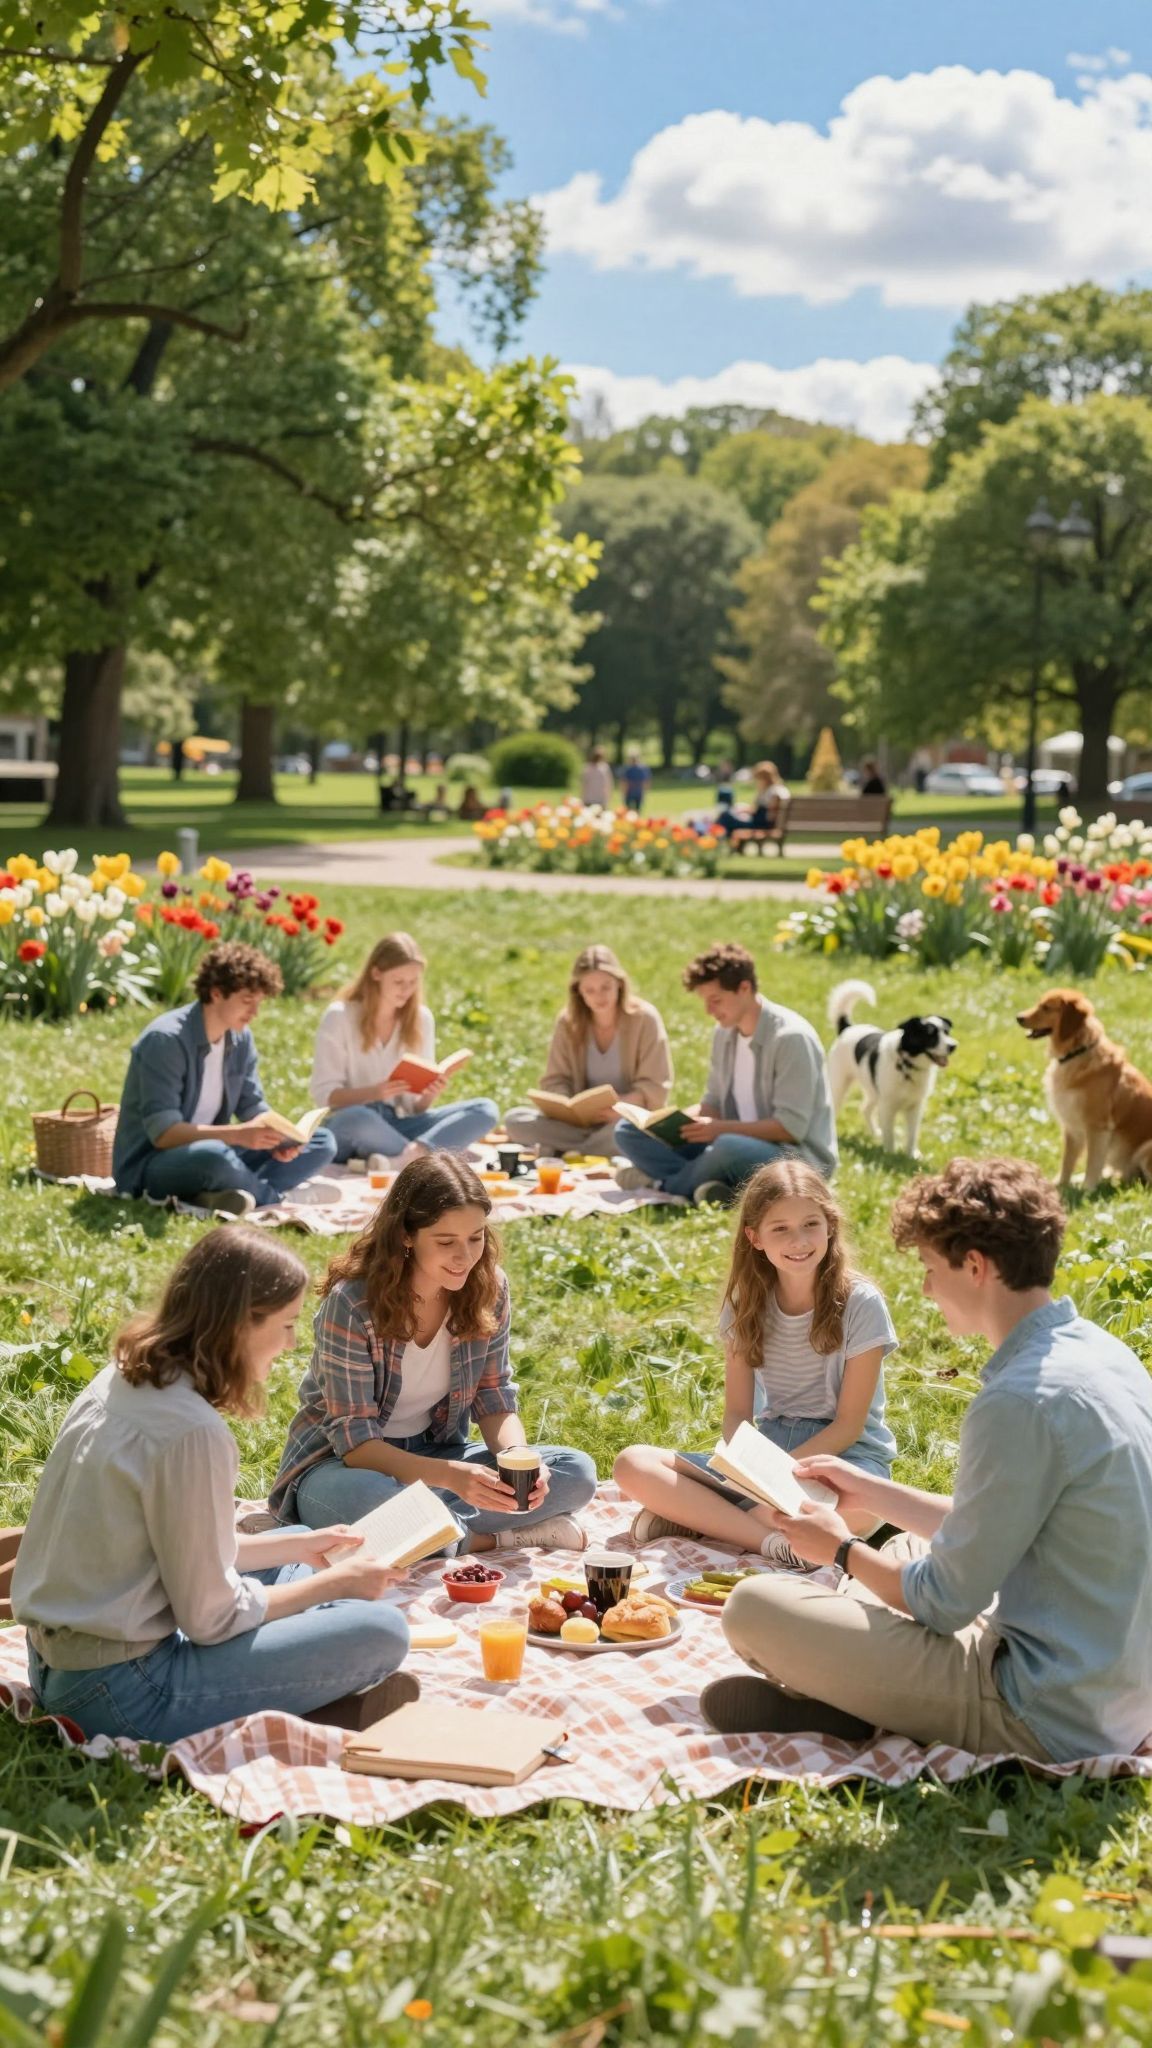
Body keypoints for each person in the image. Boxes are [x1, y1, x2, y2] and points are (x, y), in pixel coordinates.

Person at [701, 1157, 1152, 1763]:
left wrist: (837, 1548)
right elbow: (999, 1522)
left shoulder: (1016, 1402)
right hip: (1116, 1681)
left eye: (930, 1268)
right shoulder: (1100, 1352)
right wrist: (872, 1492)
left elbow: (943, 1603)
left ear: (975, 1266)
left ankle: (860, 1703)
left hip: (1042, 1708)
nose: (925, 1288)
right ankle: (865, 1695)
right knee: (904, 1546)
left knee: (755, 1608)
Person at [12, 1231, 416, 1742]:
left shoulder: (123, 1378)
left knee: (285, 1555)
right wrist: (337, 1585)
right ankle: (317, 1698)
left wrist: (303, 1544)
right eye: (287, 1324)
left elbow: (176, 1554)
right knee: (380, 1632)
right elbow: (210, 1619)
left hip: (58, 1664)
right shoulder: (192, 1432)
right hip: (123, 1693)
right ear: (241, 1324)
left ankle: (296, 1679)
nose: (293, 1343)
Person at [270, 1155, 598, 1553]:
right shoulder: (353, 1304)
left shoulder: (488, 1288)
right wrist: (452, 1478)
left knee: (575, 1472)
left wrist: (518, 1459)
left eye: (475, 1237)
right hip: (345, 1468)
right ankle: (495, 1538)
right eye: (446, 1242)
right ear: (407, 1235)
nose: (465, 1256)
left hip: (438, 1453)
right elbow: (356, 1445)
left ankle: (428, 1535)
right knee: (368, 1502)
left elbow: (494, 1395)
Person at [614, 1161, 897, 1564]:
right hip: (767, 1448)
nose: (798, 1240)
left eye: (811, 1224)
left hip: (845, 1457)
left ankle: (705, 1519)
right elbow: (736, 1415)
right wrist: (747, 1471)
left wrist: (777, 1477)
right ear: (755, 1237)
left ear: (830, 1226)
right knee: (632, 1464)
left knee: (858, 1514)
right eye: (780, 1228)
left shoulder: (861, 1303)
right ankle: (771, 1542)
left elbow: (849, 1425)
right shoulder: (745, 1305)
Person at [113, 941, 338, 1216]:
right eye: (247, 1001)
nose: (255, 1012)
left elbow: (252, 1106)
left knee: (322, 1142)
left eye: (259, 1002)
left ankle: (218, 1195)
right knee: (215, 1158)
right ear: (217, 993)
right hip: (154, 1164)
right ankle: (273, 1198)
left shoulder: (240, 1038)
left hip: (216, 1148)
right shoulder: (166, 1041)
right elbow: (163, 1134)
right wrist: (238, 1136)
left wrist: (281, 1137)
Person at [614, 942, 837, 1205]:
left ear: (745, 988)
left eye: (716, 1000)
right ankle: (713, 1185)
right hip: (732, 1141)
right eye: (705, 1001)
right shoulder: (724, 1033)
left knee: (727, 1146)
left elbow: (790, 1128)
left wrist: (719, 1129)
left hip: (793, 1157)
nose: (708, 1010)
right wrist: (671, 1123)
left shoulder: (791, 1039)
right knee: (628, 1130)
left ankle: (665, 1185)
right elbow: (714, 1104)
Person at [310, 933, 499, 1166]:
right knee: (358, 1118)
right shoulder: (340, 1017)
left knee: (485, 1109)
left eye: (413, 982)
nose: (406, 990)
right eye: (398, 982)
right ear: (376, 973)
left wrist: (429, 1093)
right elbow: (325, 1096)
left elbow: (414, 1108)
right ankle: (420, 1158)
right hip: (353, 1122)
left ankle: (406, 1157)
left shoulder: (421, 1019)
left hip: (397, 1125)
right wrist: (375, 1093)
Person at [504, 944, 673, 1159]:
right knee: (515, 1120)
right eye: (589, 990)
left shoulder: (645, 1019)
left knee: (632, 1132)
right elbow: (555, 1079)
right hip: (578, 1125)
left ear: (619, 985)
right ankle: (588, 1150)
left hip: (625, 1118)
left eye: (606, 987)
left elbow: (655, 1086)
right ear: (579, 992)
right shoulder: (568, 1022)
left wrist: (621, 1107)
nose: (599, 996)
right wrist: (567, 1108)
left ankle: (568, 1151)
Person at [621, 748, 651, 813]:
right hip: (632, 792)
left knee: (634, 810)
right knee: (630, 810)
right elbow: (624, 781)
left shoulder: (640, 768)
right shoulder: (628, 768)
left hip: (636, 792)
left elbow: (646, 781)